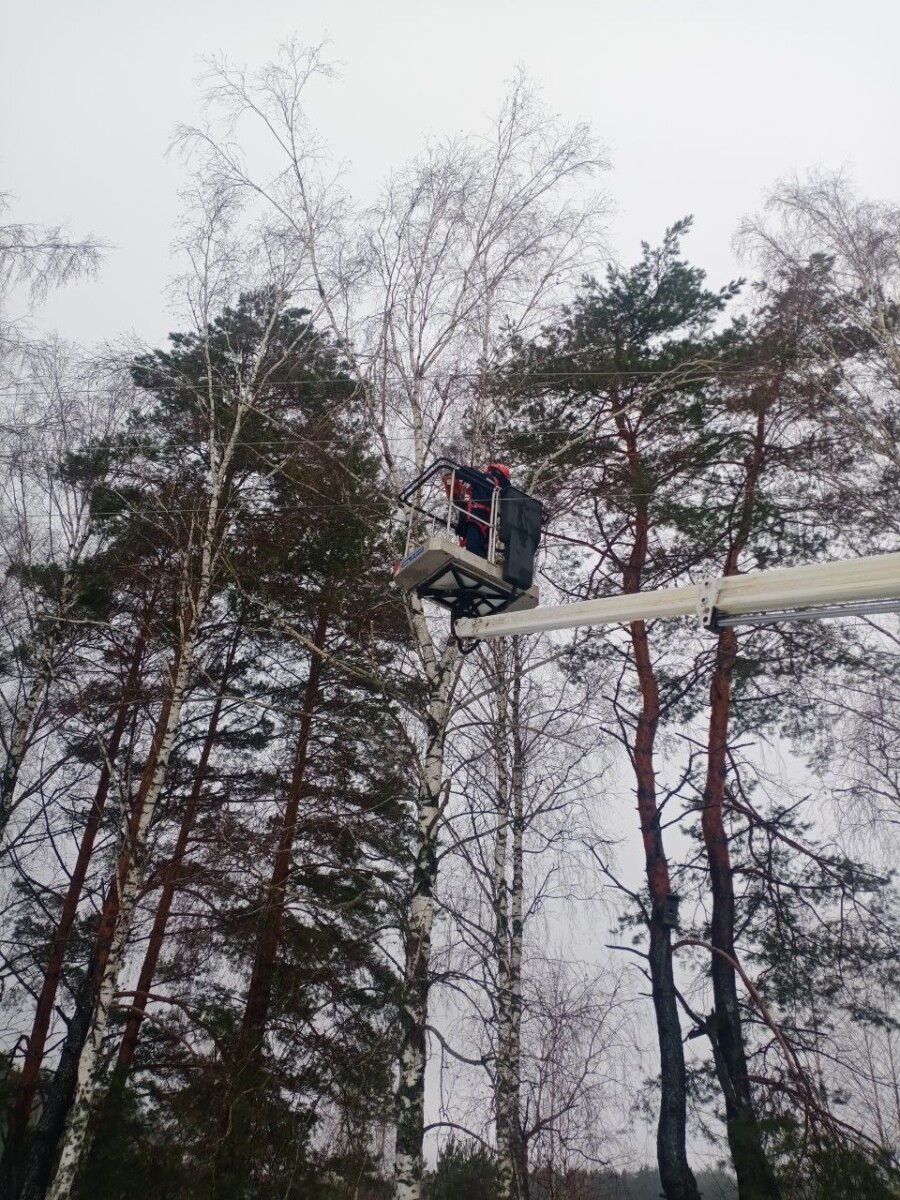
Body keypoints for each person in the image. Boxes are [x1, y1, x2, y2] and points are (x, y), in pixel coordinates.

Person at [445, 462, 511, 558]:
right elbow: (467, 507)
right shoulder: (501, 492)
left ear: (496, 472)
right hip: (486, 528)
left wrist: (455, 474)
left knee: (473, 550)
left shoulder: (488, 480)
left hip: (476, 522)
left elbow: (469, 473)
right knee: (480, 553)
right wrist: (457, 499)